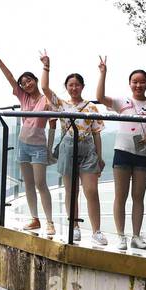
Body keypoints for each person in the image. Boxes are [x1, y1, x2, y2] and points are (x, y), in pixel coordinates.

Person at [39, 50, 106, 246]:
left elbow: (97, 133)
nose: (74, 88)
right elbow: (44, 87)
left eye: (77, 85)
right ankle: (74, 226)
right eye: (70, 85)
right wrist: (46, 65)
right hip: (68, 148)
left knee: (91, 191)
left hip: (88, 149)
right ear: (66, 87)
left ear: (82, 86)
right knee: (71, 191)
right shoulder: (61, 105)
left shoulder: (91, 108)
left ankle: (97, 231)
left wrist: (100, 157)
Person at [0, 44, 55, 237]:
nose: (27, 85)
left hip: (39, 147)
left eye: (29, 81)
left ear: (35, 80)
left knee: (41, 183)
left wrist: (46, 67)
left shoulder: (46, 100)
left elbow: (52, 124)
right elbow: (9, 77)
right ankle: (35, 219)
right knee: (28, 183)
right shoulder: (23, 97)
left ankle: (50, 222)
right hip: (23, 145)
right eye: (23, 83)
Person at [96, 57, 146, 251]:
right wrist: (103, 73)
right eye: (135, 81)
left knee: (138, 197)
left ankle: (136, 236)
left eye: (142, 81)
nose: (138, 85)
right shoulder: (122, 101)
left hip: (143, 154)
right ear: (130, 83)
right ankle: (121, 236)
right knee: (120, 196)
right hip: (122, 152)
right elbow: (100, 97)